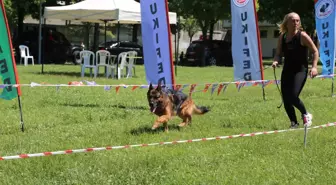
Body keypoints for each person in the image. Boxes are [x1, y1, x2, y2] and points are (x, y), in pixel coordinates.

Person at [272, 12, 319, 129]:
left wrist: (314, 67)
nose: (295, 23)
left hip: (300, 70)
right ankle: (294, 123)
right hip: (287, 70)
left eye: (297, 20)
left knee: (292, 96)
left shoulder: (302, 36)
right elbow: (278, 54)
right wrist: (275, 61)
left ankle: (306, 114)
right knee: (286, 99)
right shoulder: (282, 37)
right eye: (293, 20)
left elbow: (315, 51)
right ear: (286, 23)